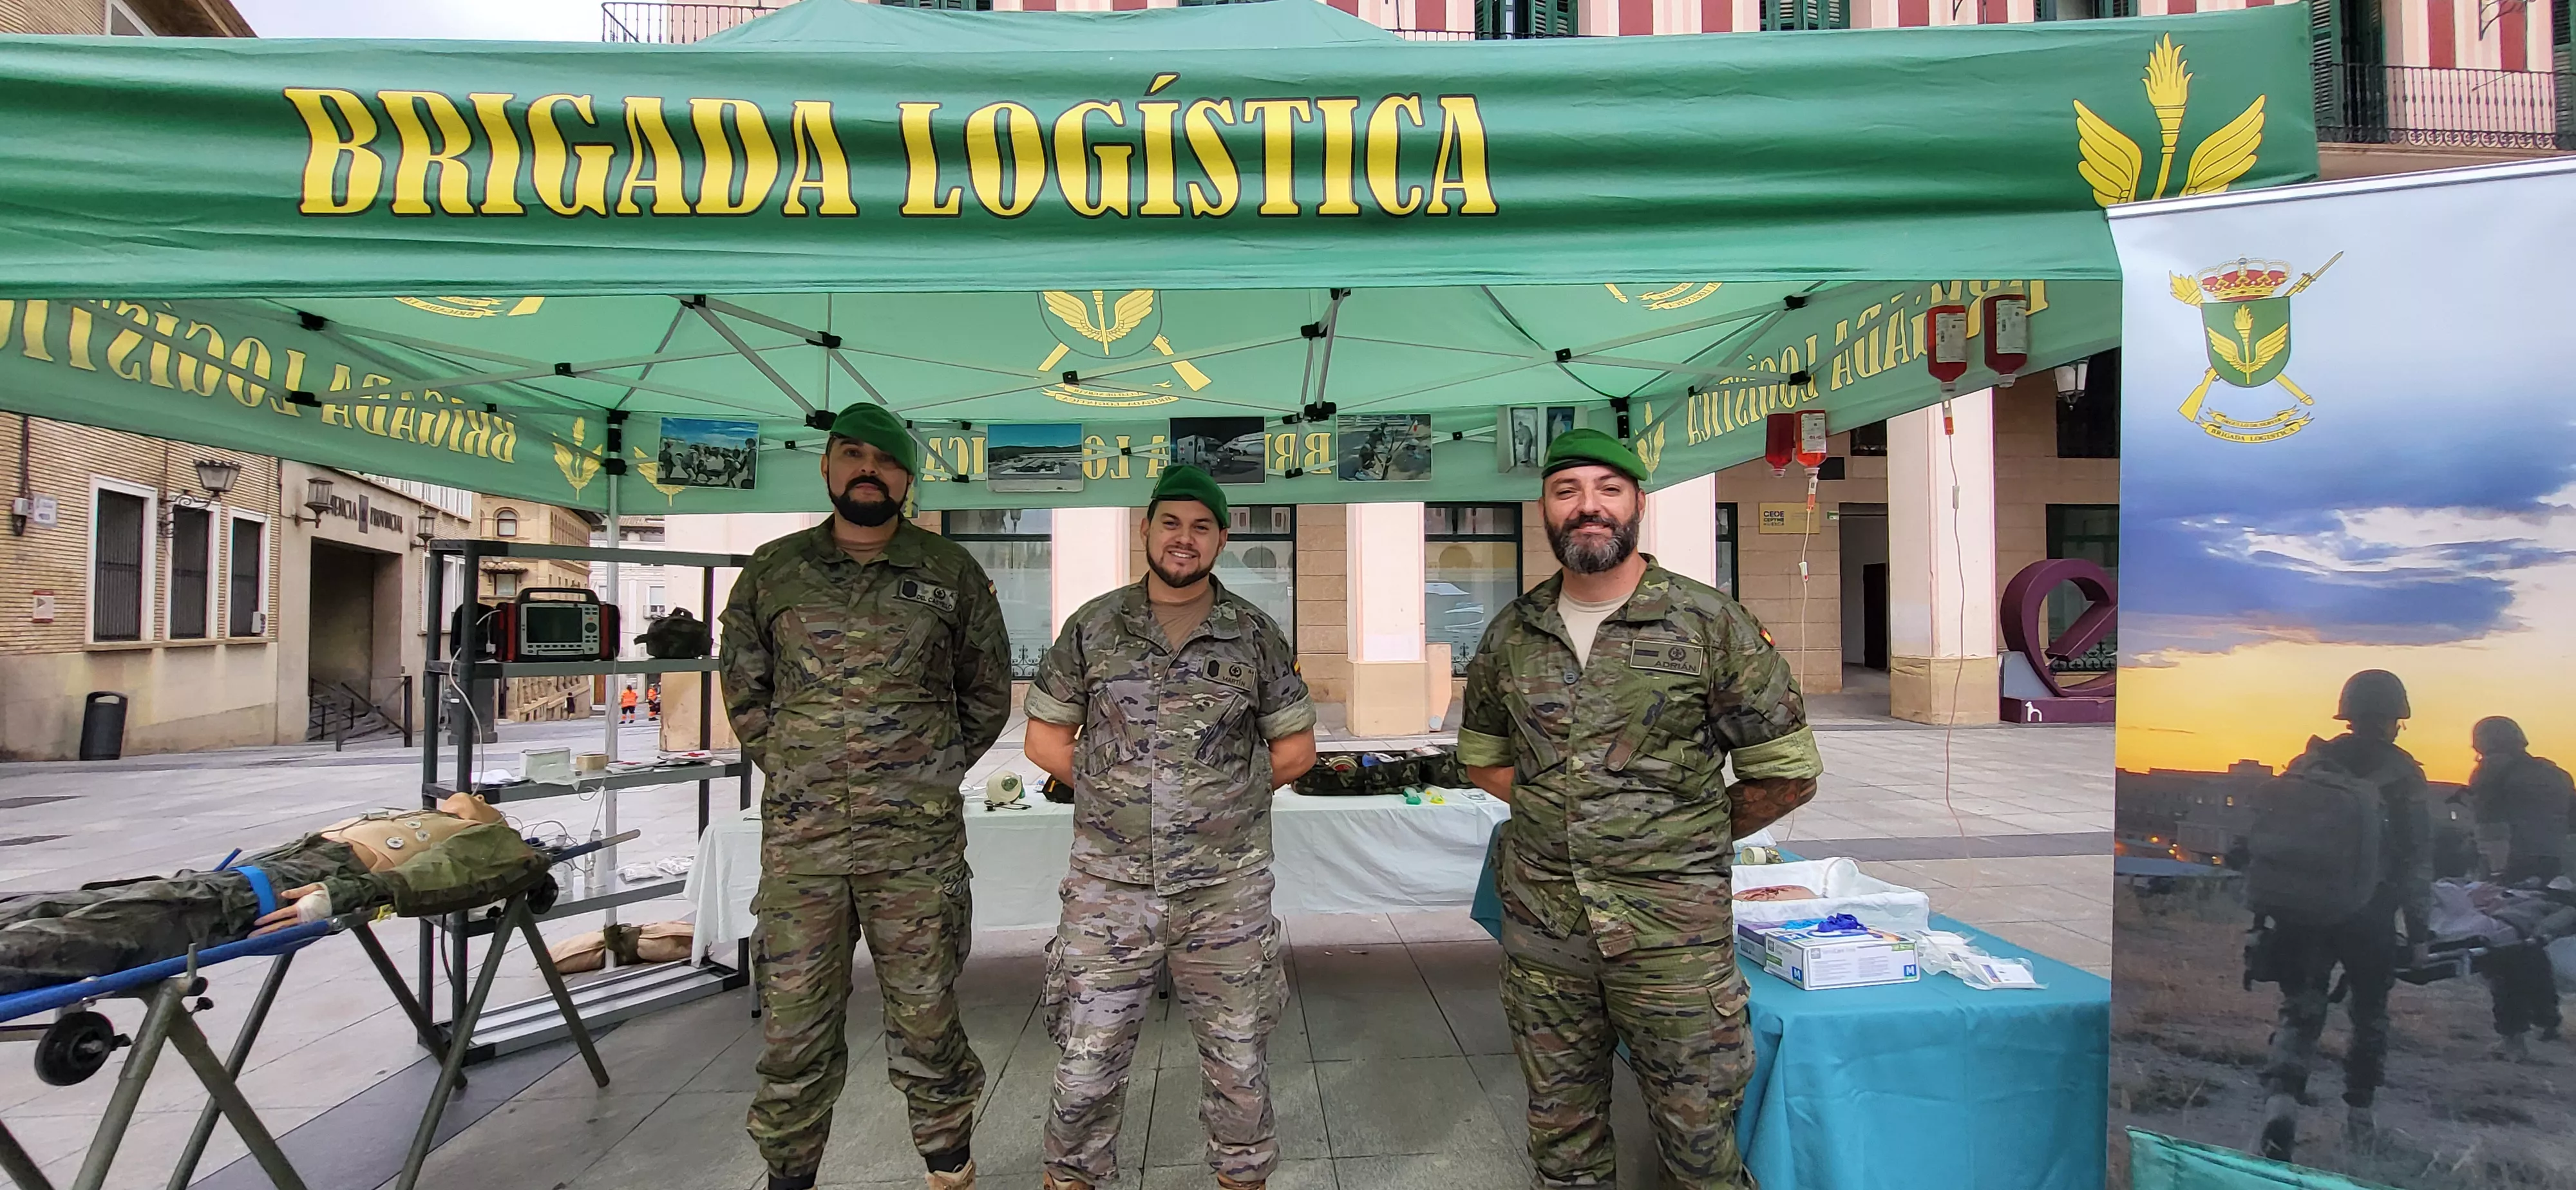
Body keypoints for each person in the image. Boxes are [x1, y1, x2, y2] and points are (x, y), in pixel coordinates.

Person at [1457, 430, 1821, 1190]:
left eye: (1607, 489)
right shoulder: (1511, 634)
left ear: (1637, 504)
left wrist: (1677, 841)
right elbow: (1484, 757)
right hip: (1547, 933)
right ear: (1544, 510)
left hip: (1672, 940)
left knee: (1697, 1139)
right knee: (1561, 1135)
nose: (1587, 506)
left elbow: (1784, 774)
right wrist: (1568, 818)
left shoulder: (1708, 623)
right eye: (1567, 491)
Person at [720, 402, 1014, 1190]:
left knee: (926, 1017)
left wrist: (927, 770)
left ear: (907, 479)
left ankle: (949, 1163)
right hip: (803, 851)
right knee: (792, 1026)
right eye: (852, 455)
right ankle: (789, 1173)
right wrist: (795, 768)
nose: (867, 471)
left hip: (913, 851)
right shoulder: (771, 572)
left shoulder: (950, 574)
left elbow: (986, 694)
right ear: (825, 467)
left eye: (885, 461)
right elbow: (746, 694)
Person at [1020, 466, 1318, 1190]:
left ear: (1222, 538)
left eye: (1201, 526)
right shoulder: (1094, 626)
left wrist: (1215, 802)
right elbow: (1043, 739)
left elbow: (1296, 748)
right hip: (1108, 888)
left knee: (1239, 1058)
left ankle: (1241, 1177)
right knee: (1087, 1059)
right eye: (1171, 523)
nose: (1184, 540)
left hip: (1226, 891)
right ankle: (1073, 1178)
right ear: (1145, 529)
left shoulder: (1254, 634)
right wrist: (1124, 800)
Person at [1, 794, 543, 994]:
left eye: (469, 800)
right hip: (245, 879)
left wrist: (342, 895)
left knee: (100, 930)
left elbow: (446, 876)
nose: (459, 796)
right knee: (77, 906)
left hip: (260, 896)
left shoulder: (495, 841)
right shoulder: (426, 817)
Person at [2254, 670, 2432, 1161]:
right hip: (2370, 915)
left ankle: (2281, 1109)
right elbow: (2418, 859)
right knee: (2370, 1015)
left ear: (2347, 714)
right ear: (2396, 719)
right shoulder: (2404, 774)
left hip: (2302, 909)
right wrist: (2419, 934)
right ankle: (2359, 1117)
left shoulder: (2309, 763)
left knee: (2301, 1012)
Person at [2467, 716, 2571, 1057]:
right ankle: (2547, 1016)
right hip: (2552, 870)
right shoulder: (2556, 775)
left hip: (2510, 868)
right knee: (2531, 941)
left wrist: (2494, 876)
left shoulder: (2491, 774)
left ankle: (2512, 1036)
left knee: (2501, 948)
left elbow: (2490, 830)